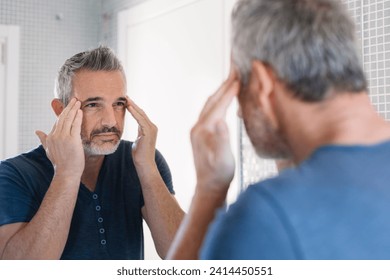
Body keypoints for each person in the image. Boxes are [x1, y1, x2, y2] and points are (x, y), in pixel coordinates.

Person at [167, 0, 390, 259]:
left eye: (240, 85)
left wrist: (209, 191)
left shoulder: (267, 217)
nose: (239, 111)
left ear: (262, 83)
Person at [0, 46, 184, 259]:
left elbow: (183, 256)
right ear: (60, 110)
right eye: (94, 104)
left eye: (118, 104)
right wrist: (66, 174)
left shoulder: (142, 159)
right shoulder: (14, 174)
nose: (110, 121)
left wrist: (148, 168)